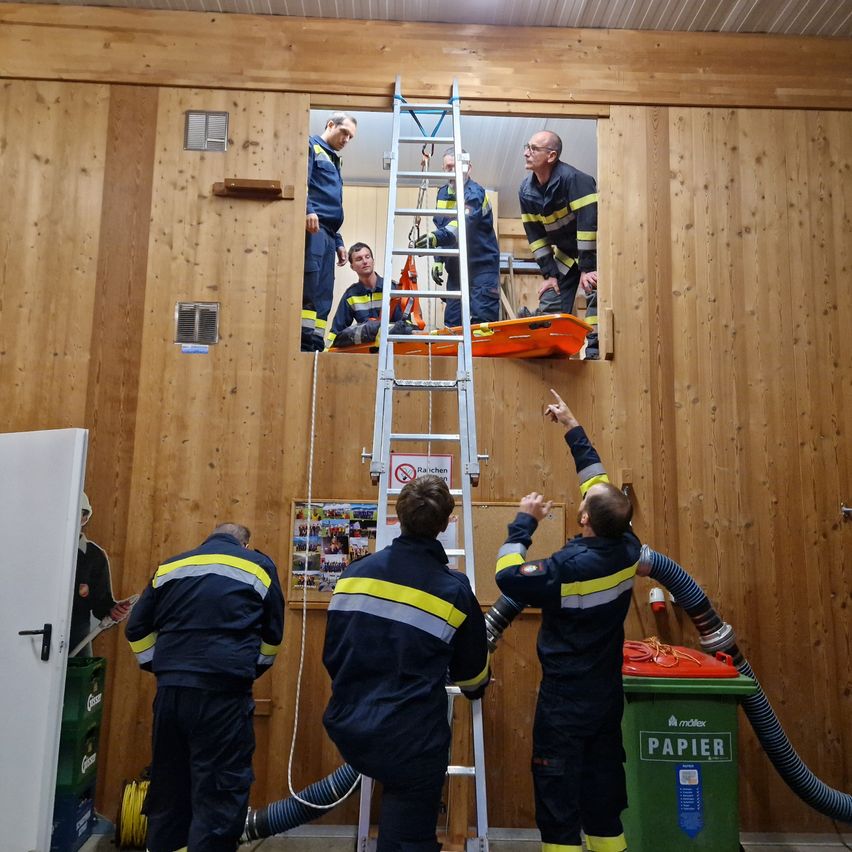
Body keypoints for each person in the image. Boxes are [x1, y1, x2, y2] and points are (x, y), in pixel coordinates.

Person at [495, 390, 640, 852]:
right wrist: (571, 424)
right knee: (603, 805)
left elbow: (506, 576)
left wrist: (523, 522)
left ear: (582, 518)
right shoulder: (629, 547)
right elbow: (598, 484)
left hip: (564, 705)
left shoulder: (564, 569)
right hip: (604, 697)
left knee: (558, 810)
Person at [322, 475, 490, 852]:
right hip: (411, 740)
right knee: (407, 838)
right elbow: (472, 677)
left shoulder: (352, 577)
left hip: (350, 727)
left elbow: (333, 654)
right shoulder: (453, 591)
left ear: (398, 517)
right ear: (445, 524)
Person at [125, 523, 284, 852]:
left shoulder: (170, 566)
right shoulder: (259, 567)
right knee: (219, 795)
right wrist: (248, 671)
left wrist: (158, 666)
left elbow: (136, 628)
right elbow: (272, 637)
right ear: (244, 543)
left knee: (169, 791)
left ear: (208, 539)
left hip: (171, 693)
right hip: (223, 695)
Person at [518, 131, 599, 358]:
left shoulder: (575, 180)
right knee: (551, 297)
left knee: (595, 291)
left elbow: (588, 226)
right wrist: (549, 275)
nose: (526, 153)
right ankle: (547, 352)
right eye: (527, 146)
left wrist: (588, 268)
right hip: (565, 255)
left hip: (593, 254)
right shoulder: (526, 191)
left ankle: (595, 353)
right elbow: (536, 238)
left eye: (534, 149)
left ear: (551, 156)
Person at [417, 147, 500, 327]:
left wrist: (436, 239)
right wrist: (439, 258)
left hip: (481, 265)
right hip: (456, 267)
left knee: (482, 322)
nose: (452, 171)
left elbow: (461, 224)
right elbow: (441, 225)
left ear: (468, 168)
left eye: (456, 167)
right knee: (453, 323)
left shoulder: (475, 193)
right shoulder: (442, 193)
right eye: (448, 167)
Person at [302, 111, 358, 352]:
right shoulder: (310, 146)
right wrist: (307, 209)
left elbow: (332, 206)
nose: (346, 139)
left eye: (350, 137)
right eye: (344, 132)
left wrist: (338, 241)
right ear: (330, 124)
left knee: (325, 293)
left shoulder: (335, 159)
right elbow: (302, 182)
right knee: (311, 290)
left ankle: (316, 345)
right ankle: (303, 345)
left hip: (328, 233)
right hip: (312, 229)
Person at [72, 491, 130, 656]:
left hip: (77, 639)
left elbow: (101, 603)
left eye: (77, 513)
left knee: (78, 681)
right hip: (39, 635)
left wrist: (113, 610)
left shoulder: (94, 556)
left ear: (84, 518)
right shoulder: (41, 551)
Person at [328, 243, 413, 348]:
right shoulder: (350, 295)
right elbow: (336, 333)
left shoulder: (393, 289)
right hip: (365, 354)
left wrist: (371, 329)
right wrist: (327, 354)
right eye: (359, 259)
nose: (365, 261)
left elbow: (405, 326)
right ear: (352, 266)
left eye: (367, 257)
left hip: (394, 351)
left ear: (373, 261)